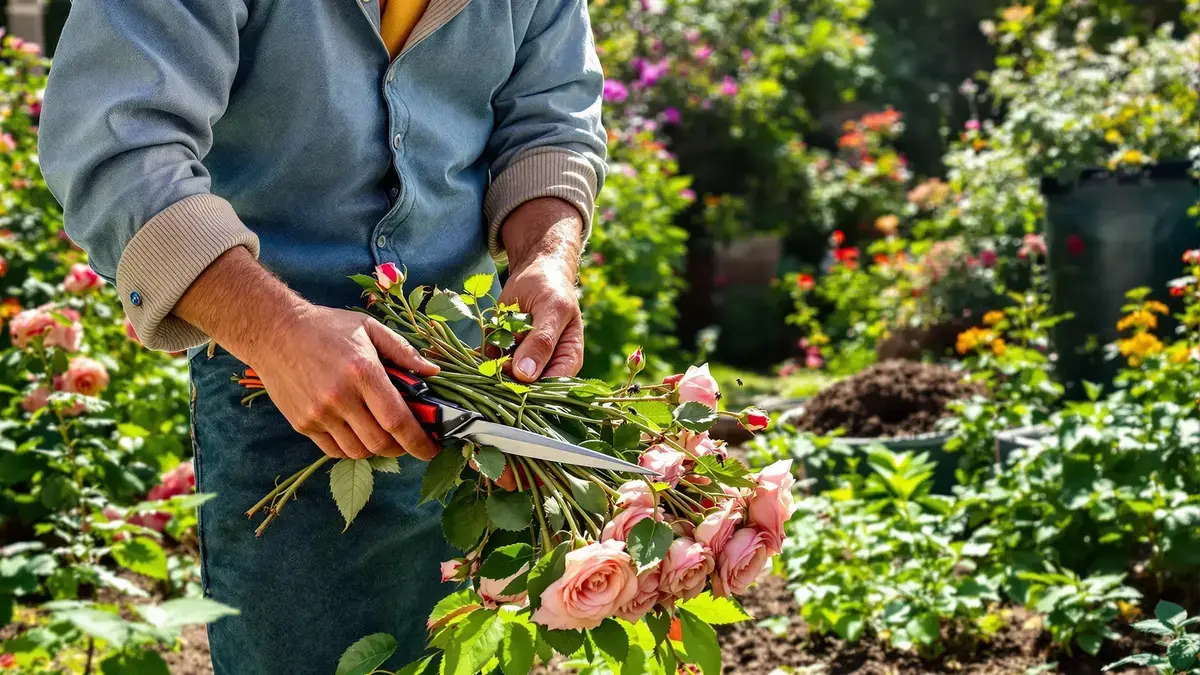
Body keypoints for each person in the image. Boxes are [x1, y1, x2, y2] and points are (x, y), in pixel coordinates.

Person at [37, 0, 605, 671]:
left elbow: (548, 121)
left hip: (470, 376)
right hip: (275, 379)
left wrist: (544, 256)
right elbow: (115, 142)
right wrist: (280, 332)